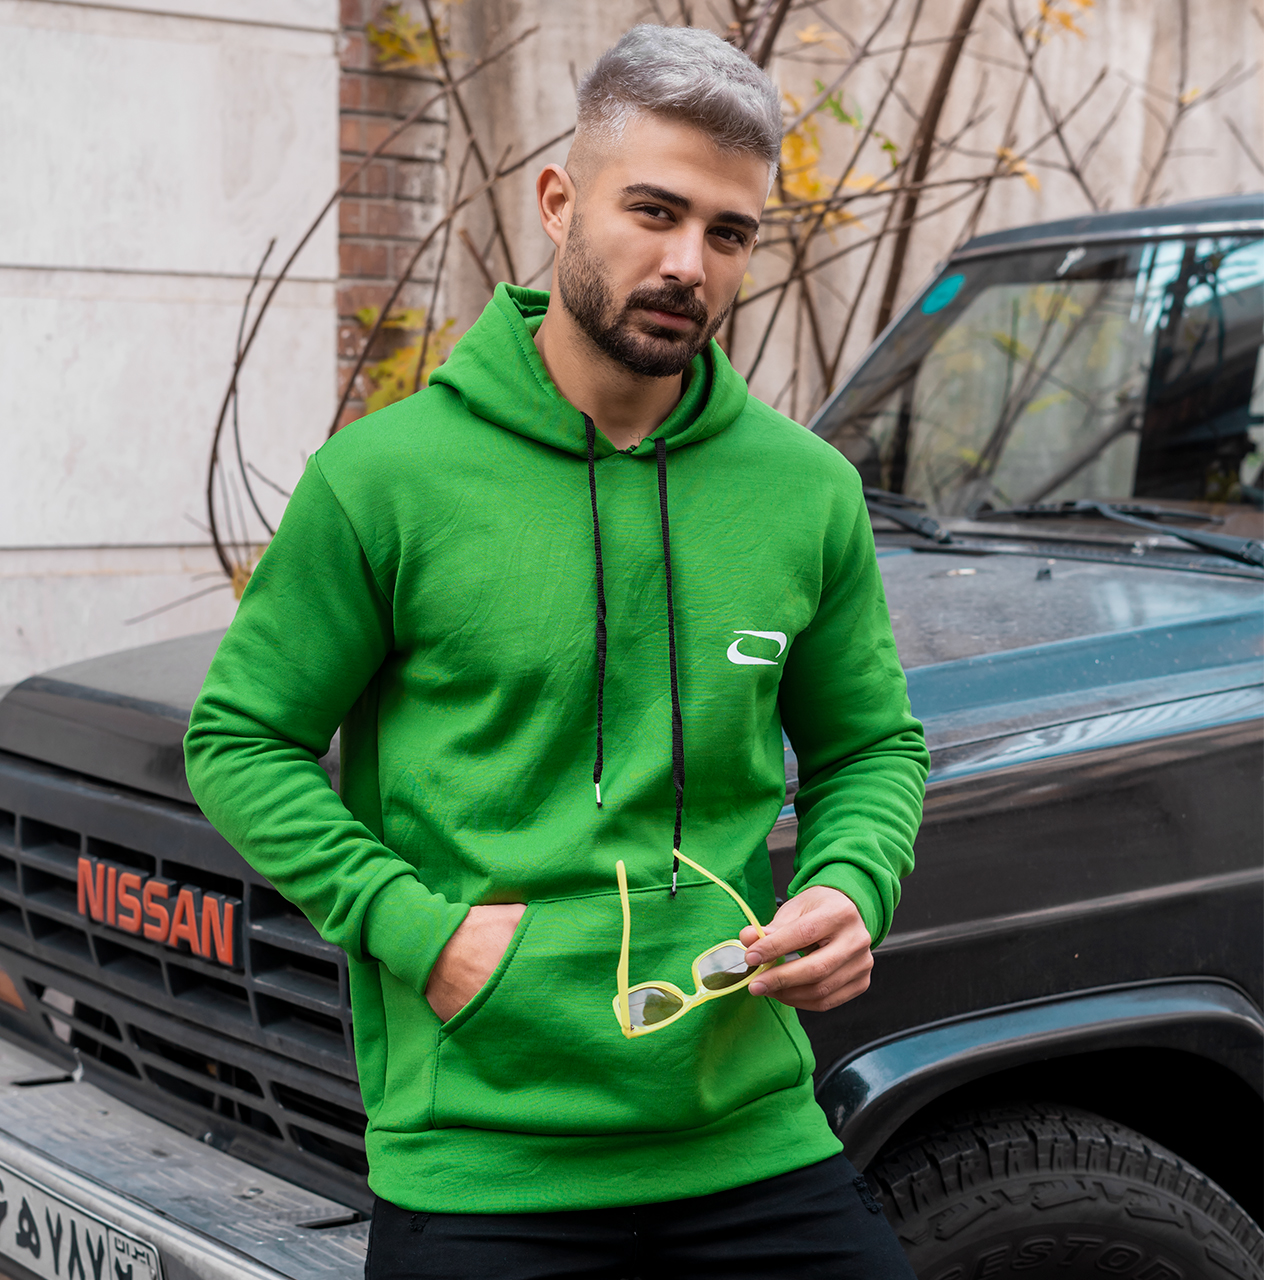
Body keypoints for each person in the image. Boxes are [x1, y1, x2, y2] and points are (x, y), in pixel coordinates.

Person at [184, 23, 928, 1279]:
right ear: (557, 200)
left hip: (749, 1133)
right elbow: (239, 738)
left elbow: (870, 746)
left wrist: (852, 885)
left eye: (728, 232)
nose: (686, 263)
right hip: (483, 1158)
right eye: (653, 210)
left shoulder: (804, 490)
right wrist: (420, 931)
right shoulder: (386, 479)